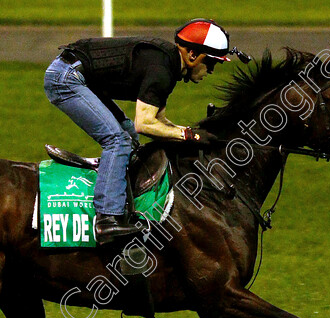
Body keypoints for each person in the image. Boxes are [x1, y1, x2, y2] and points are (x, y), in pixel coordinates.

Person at [44, 18, 235, 244]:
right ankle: (107, 219)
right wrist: (188, 135)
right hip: (66, 78)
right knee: (118, 140)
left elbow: (158, 122)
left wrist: (188, 133)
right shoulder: (162, 69)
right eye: (211, 63)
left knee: (127, 136)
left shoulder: (169, 65)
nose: (211, 71)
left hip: (77, 73)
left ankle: (117, 193)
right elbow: (144, 123)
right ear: (193, 55)